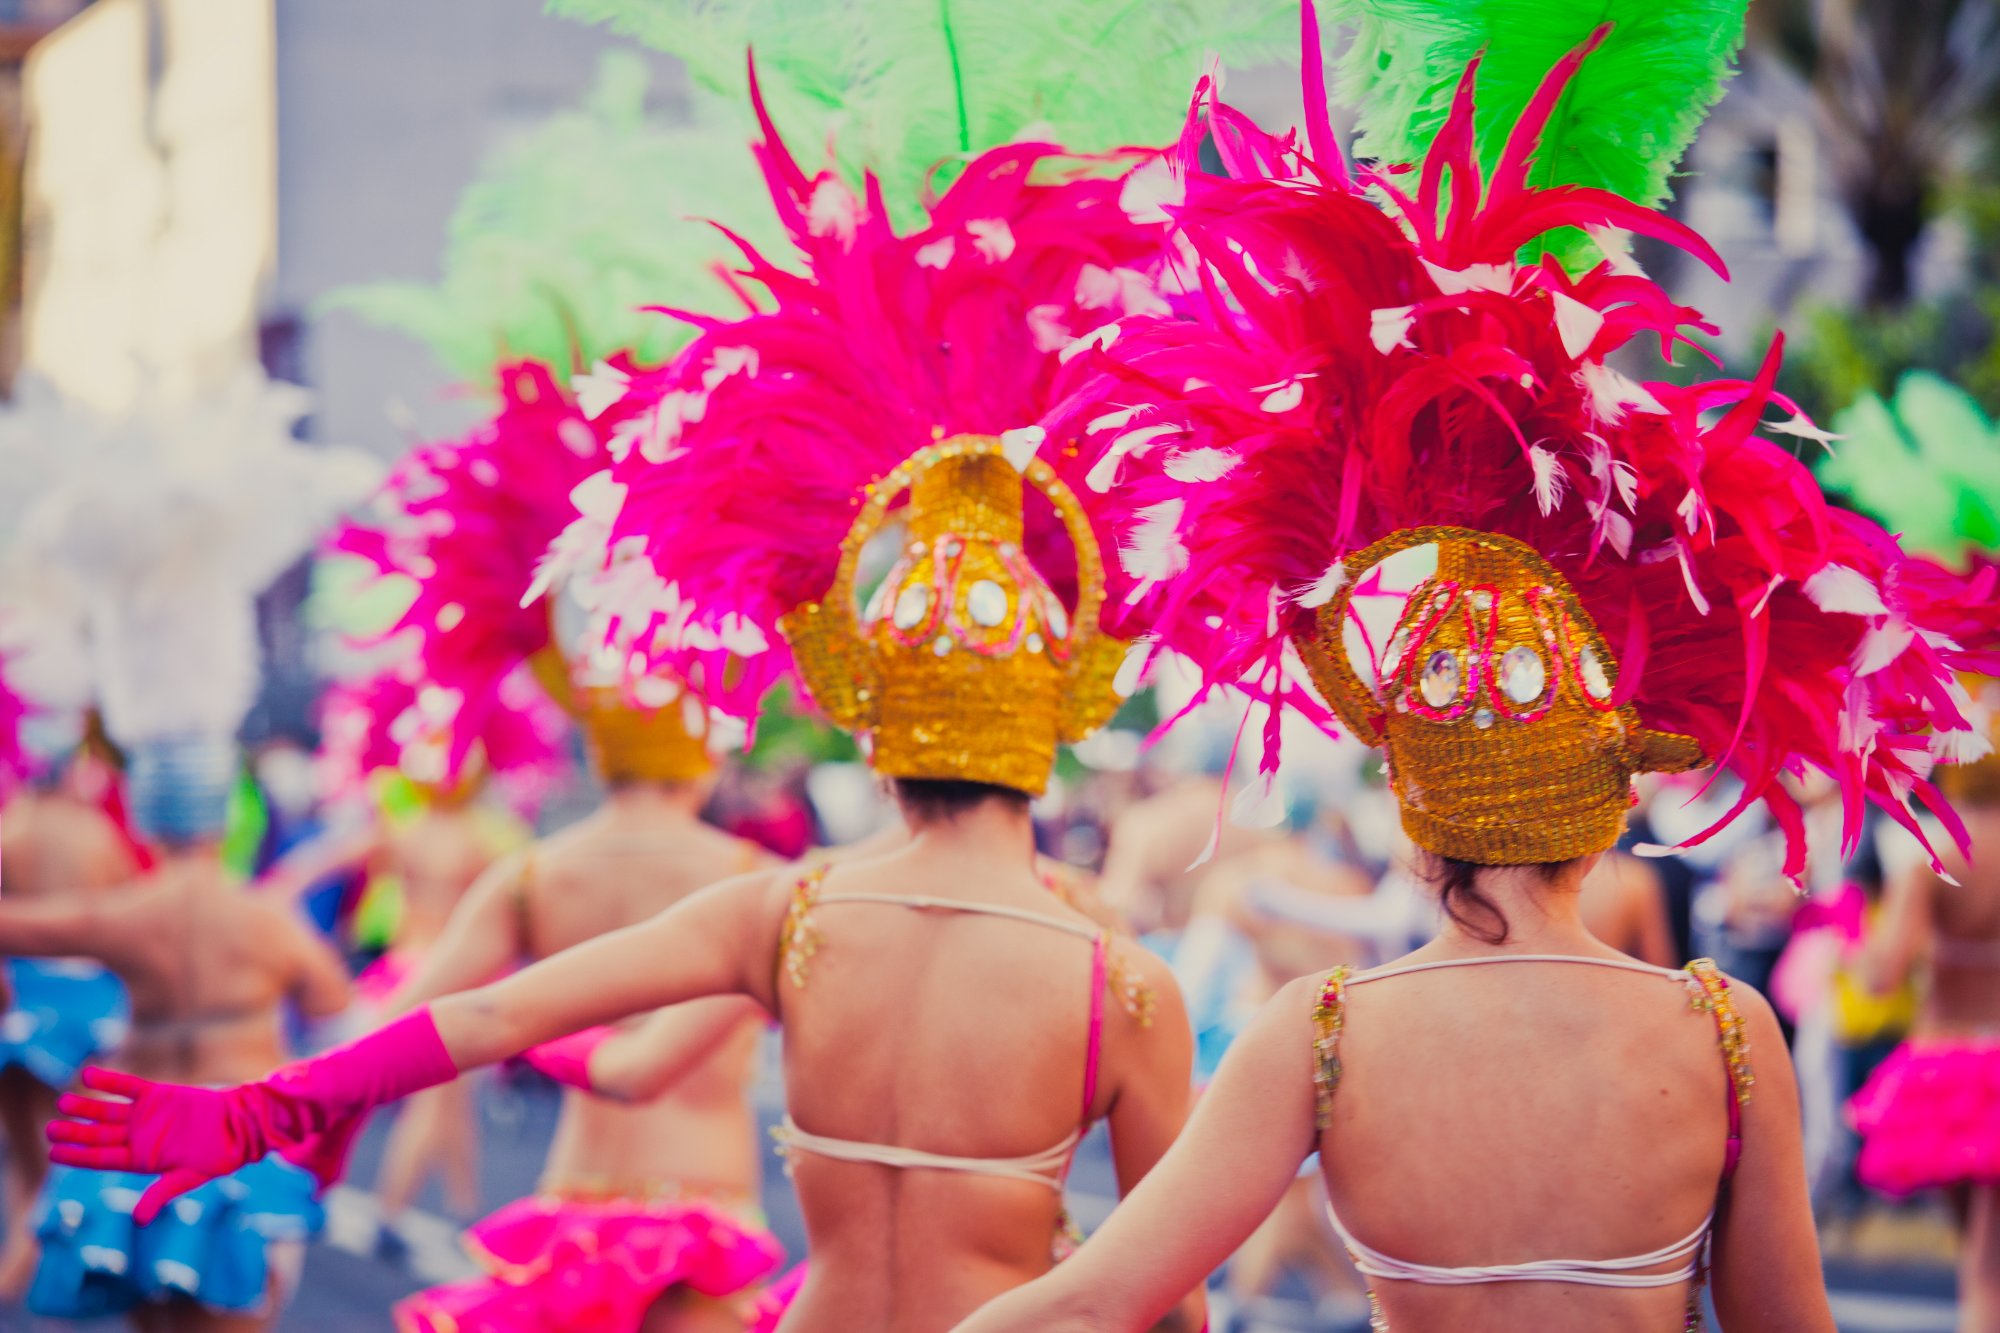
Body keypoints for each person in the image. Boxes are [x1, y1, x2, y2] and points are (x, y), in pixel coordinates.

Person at [939, 6, 2000, 1322]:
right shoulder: (1726, 1039)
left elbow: (1085, 1307)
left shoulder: (1320, 1036)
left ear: (1408, 795)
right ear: (1614, 789)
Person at [49, 435, 1200, 1333]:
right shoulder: (1124, 987)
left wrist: (263, 1109)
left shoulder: (789, 914)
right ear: (1053, 738)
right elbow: (1169, 1294)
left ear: (873, 743)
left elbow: (496, 1010)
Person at [1848, 680, 2000, 1333]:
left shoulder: (1933, 850)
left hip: (1946, 1065)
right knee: (1987, 1255)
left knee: (1983, 1257)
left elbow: (1880, 973)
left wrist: (1848, 938)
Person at [0, 740, 142, 1299]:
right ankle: (27, 1271)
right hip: (87, 1003)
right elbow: (130, 918)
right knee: (66, 1150)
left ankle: (21, 1270)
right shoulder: (98, 834)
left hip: (23, 1002)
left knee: (29, 1148)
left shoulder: (15, 824)